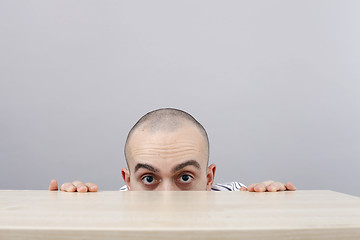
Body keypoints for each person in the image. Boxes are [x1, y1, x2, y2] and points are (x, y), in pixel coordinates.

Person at [49, 108, 296, 193]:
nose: (167, 197)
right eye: (149, 178)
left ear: (209, 178)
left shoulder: (235, 196)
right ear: (128, 182)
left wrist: (277, 206)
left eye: (185, 177)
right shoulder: (114, 205)